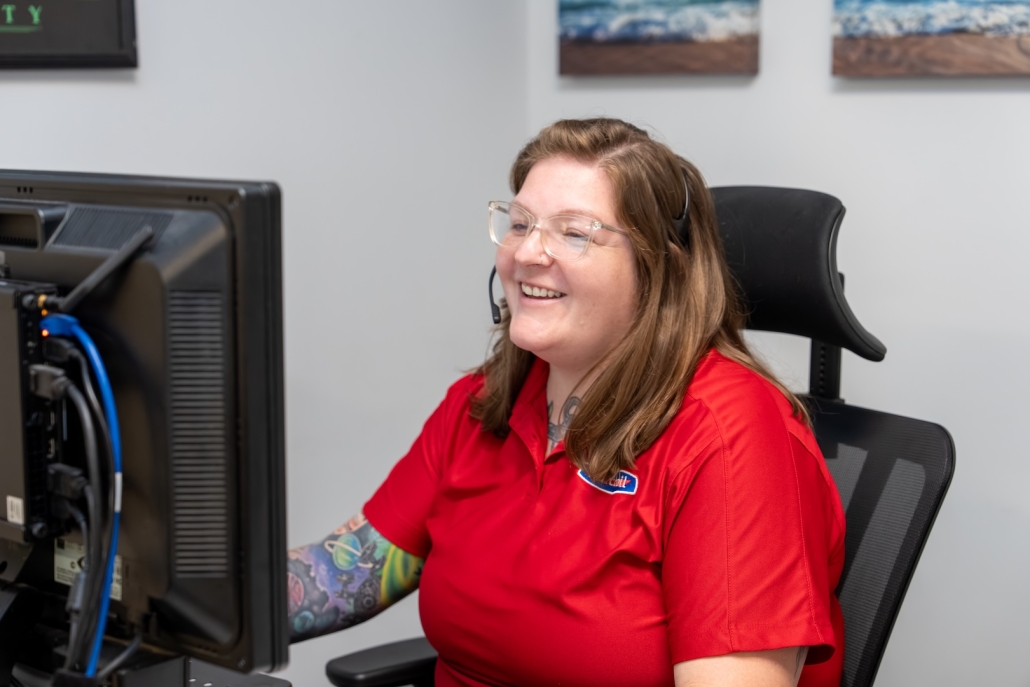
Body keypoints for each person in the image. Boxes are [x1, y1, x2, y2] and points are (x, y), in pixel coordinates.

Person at [287, 118, 845, 687]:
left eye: (574, 232)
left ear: (661, 269)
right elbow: (348, 571)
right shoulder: (485, 402)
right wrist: (204, 596)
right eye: (520, 223)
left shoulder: (730, 438)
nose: (528, 252)